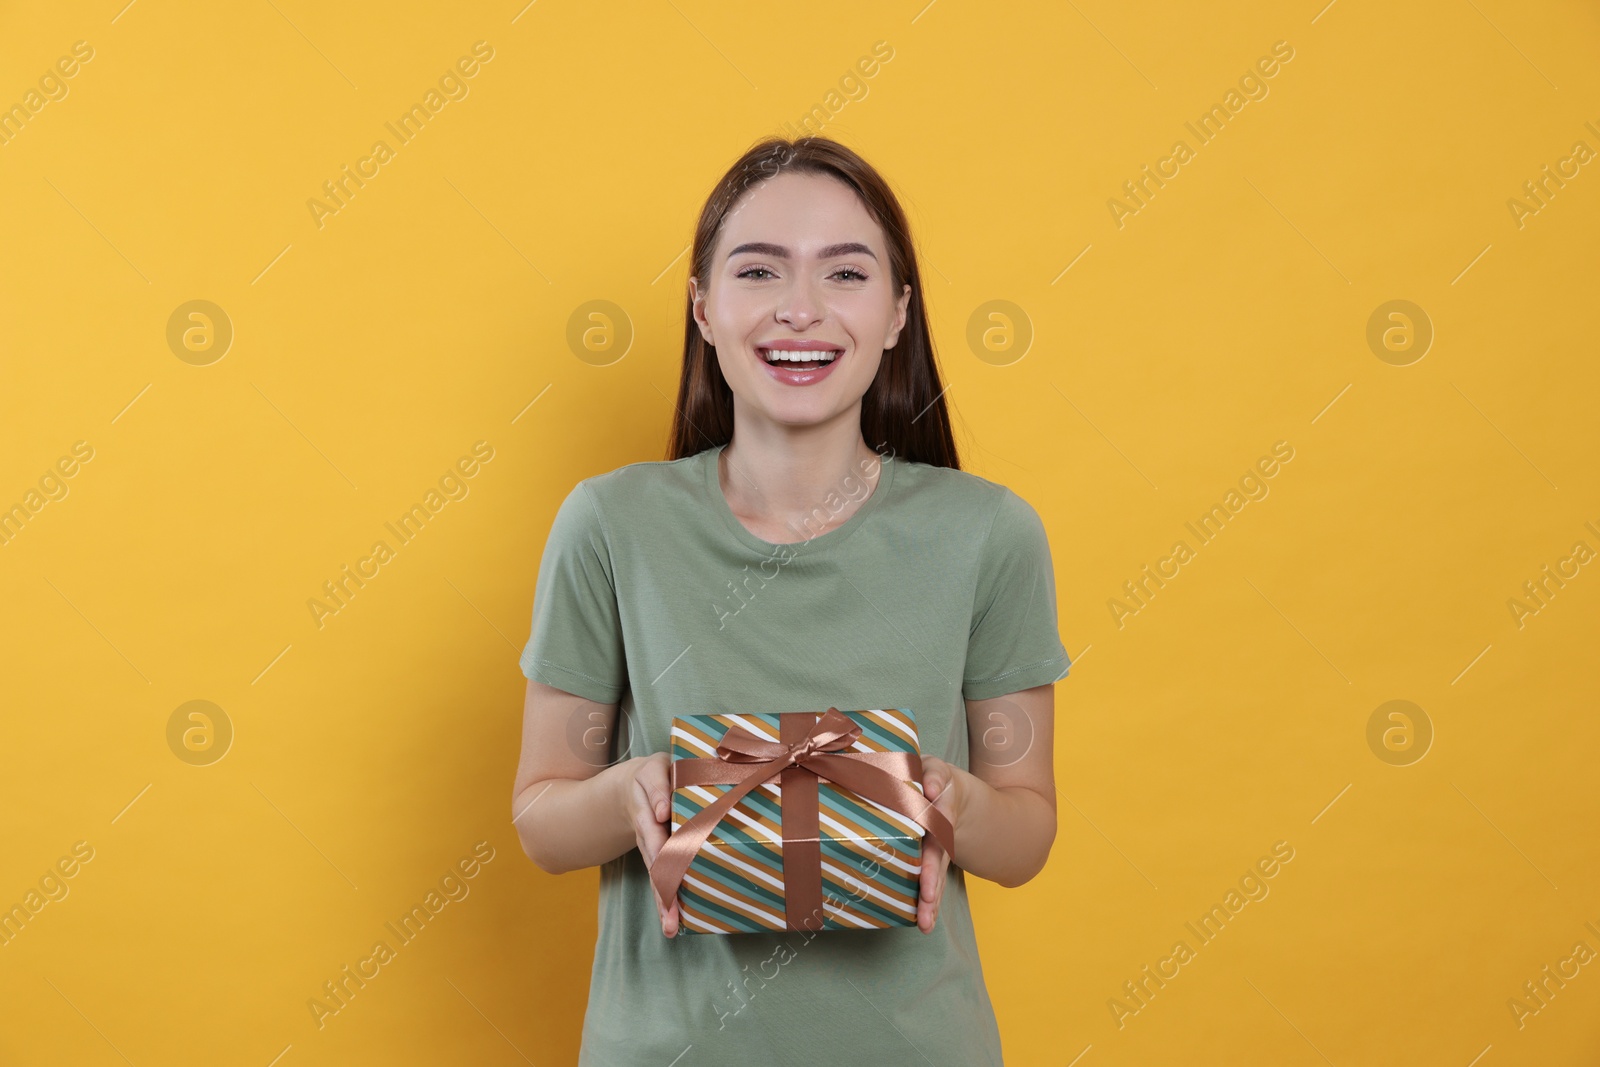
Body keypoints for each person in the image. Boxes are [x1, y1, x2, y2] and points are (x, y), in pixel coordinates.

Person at [511, 135, 1071, 1066]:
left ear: (898, 313)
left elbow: (1026, 834)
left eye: (846, 274)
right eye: (759, 269)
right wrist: (634, 791)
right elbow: (542, 819)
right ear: (703, 305)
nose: (800, 309)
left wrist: (951, 800)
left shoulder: (989, 535)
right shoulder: (611, 524)